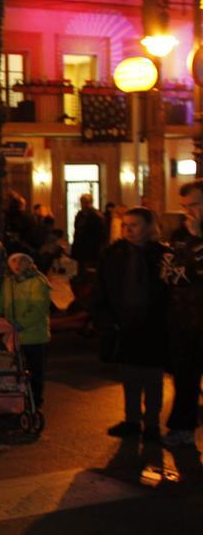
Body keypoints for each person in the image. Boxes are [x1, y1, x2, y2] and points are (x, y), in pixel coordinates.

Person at [92, 207, 170, 442]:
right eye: (125, 225)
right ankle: (132, 420)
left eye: (134, 225)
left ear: (148, 227)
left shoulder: (161, 255)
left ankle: (152, 424)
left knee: (153, 379)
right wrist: (105, 320)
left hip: (153, 325)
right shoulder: (113, 254)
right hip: (123, 324)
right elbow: (101, 290)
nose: (129, 230)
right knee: (130, 376)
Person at [162, 180, 203, 447]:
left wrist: (198, 240)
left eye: (195, 205)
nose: (190, 211)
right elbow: (171, 274)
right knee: (185, 375)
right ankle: (181, 428)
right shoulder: (179, 235)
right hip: (186, 317)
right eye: (185, 206)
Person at [0, 253, 52, 409]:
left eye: (22, 260)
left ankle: (34, 402)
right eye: (14, 261)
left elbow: (38, 309)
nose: (17, 264)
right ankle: (17, 400)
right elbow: (0, 303)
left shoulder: (38, 282)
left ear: (29, 262)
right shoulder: (9, 282)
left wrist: (21, 323)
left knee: (35, 372)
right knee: (14, 371)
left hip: (35, 336)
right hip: (13, 336)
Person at [72, 193, 107, 271]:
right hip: (82, 245)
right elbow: (77, 228)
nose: (82, 204)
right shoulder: (80, 214)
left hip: (91, 246)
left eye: (84, 202)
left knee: (89, 268)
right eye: (82, 202)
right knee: (82, 267)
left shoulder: (96, 215)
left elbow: (100, 233)